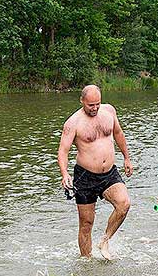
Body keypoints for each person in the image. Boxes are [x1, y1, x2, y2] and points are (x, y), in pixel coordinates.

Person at [57, 85, 133, 260]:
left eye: (97, 104)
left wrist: (127, 158)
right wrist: (64, 174)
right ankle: (86, 262)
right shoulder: (73, 123)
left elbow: (118, 134)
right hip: (85, 177)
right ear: (82, 101)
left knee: (124, 204)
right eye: (91, 105)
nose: (95, 108)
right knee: (86, 223)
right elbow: (63, 151)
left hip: (109, 174)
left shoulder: (109, 112)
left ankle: (105, 240)